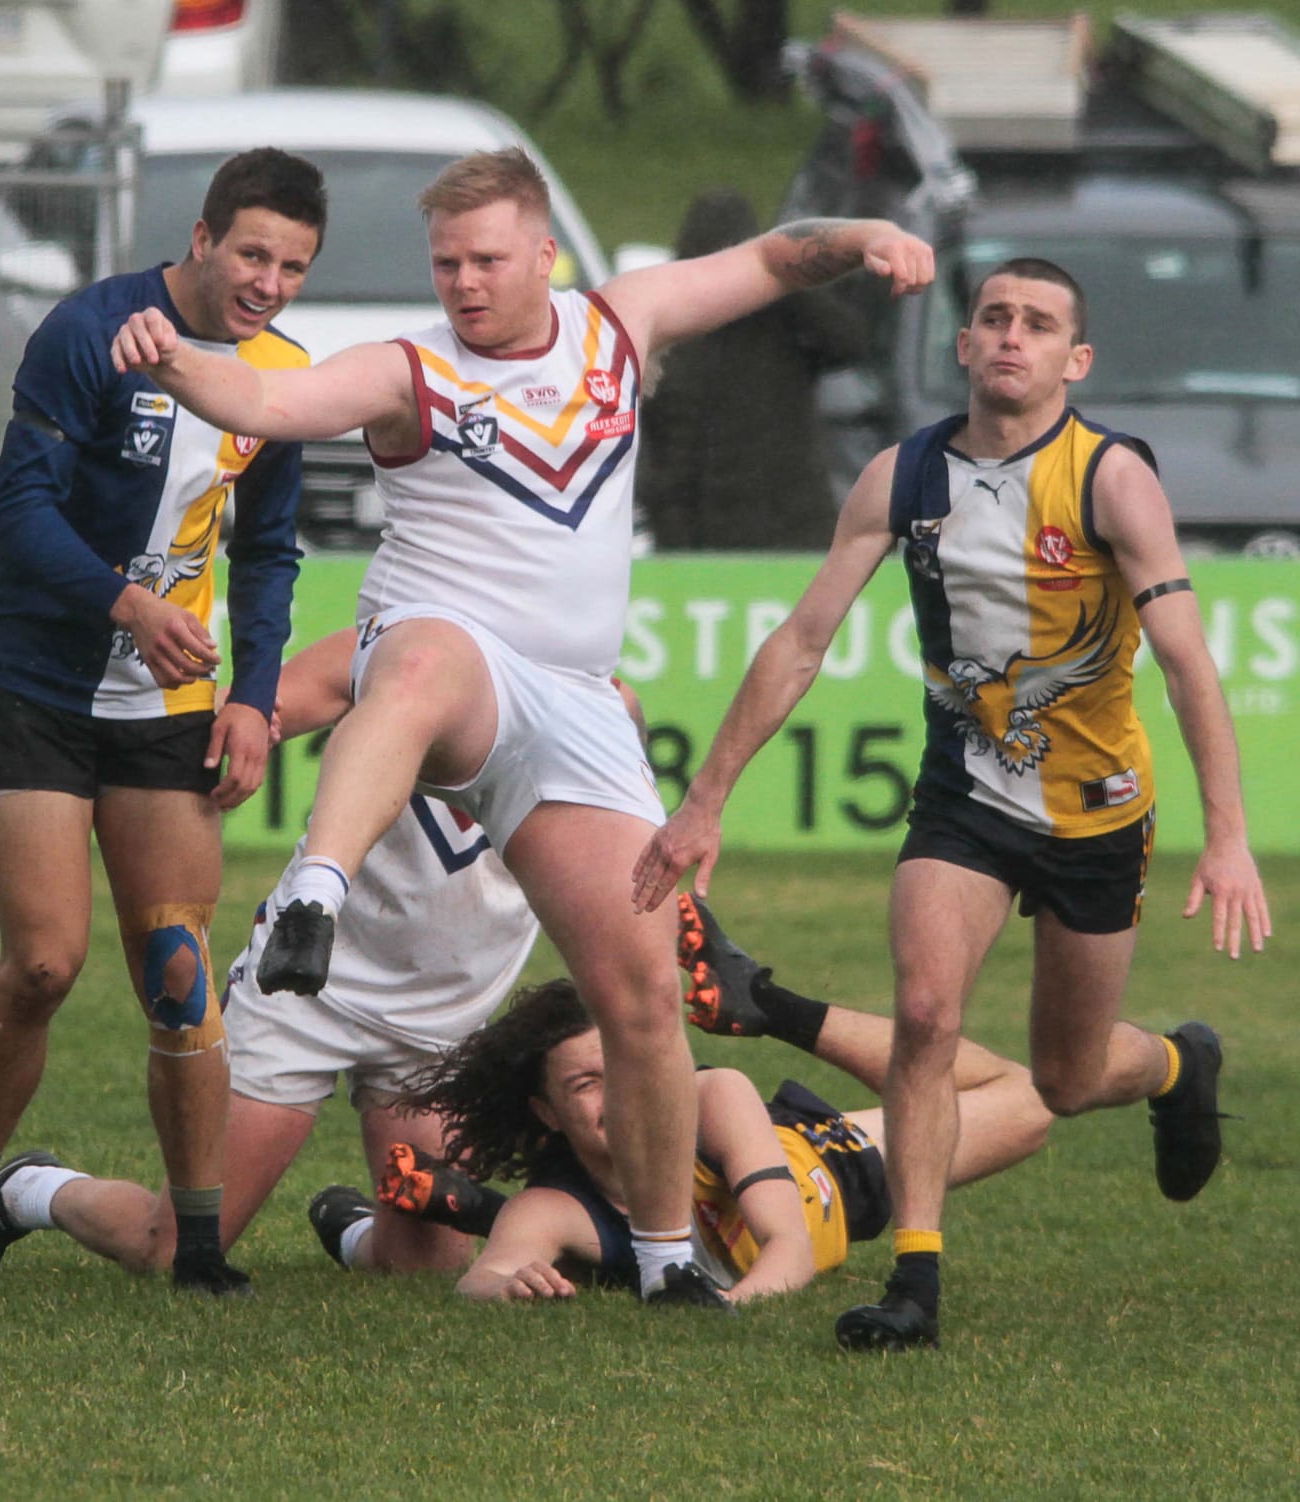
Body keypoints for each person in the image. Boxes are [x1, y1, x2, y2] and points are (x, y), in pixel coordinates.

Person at [111, 145, 933, 1305]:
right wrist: (176, 358)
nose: (461, 282)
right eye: (444, 262)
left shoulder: (618, 324)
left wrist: (856, 238)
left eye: (484, 259)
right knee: (425, 657)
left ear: (543, 253)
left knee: (641, 994)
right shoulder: (410, 370)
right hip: (453, 675)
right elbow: (269, 399)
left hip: (575, 701)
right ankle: (315, 890)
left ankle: (659, 1261)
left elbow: (762, 262)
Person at [629, 256, 1270, 1350]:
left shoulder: (1112, 479)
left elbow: (1182, 660)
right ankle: (913, 1286)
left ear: (1075, 359)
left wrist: (1227, 835)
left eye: (1037, 323)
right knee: (925, 1015)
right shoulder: (900, 474)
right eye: (992, 317)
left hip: (1096, 809)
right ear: (962, 345)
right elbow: (798, 642)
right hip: (962, 793)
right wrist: (703, 798)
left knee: (1064, 1076)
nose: (1010, 335)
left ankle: (1171, 1061)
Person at [0, 148, 328, 1298]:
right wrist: (126, 603)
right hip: (38, 676)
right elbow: (14, 507)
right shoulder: (92, 331)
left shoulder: (281, 375)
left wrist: (252, 694)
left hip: (171, 705)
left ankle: (196, 1249)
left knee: (178, 972)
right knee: (40, 963)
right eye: (251, 253)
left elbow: (271, 547)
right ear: (199, 236)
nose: (267, 282)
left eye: (290, 265)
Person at [0, 627, 563, 1282]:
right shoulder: (400, 645)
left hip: (445, 1016)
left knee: (426, 1265)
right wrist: (245, 733)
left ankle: (348, 1224)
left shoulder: (593, 695)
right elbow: (258, 716)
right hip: (309, 992)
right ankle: (34, 1188)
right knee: (169, 1247)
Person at [372, 899, 1054, 1304]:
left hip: (829, 1167)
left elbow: (789, 1249)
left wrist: (727, 1307)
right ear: (546, 1112)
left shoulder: (715, 1093)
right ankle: (404, 1217)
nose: (619, 1094)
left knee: (1031, 1100)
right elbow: (481, 1278)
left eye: (624, 1067)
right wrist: (509, 1282)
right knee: (520, 1228)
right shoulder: (553, 1206)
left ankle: (775, 1008)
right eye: (585, 1085)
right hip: (748, 1175)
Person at [634, 187, 871, 551]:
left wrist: (785, 279)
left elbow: (850, 341)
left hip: (785, 535)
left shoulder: (782, 322)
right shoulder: (670, 331)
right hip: (698, 539)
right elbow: (654, 447)